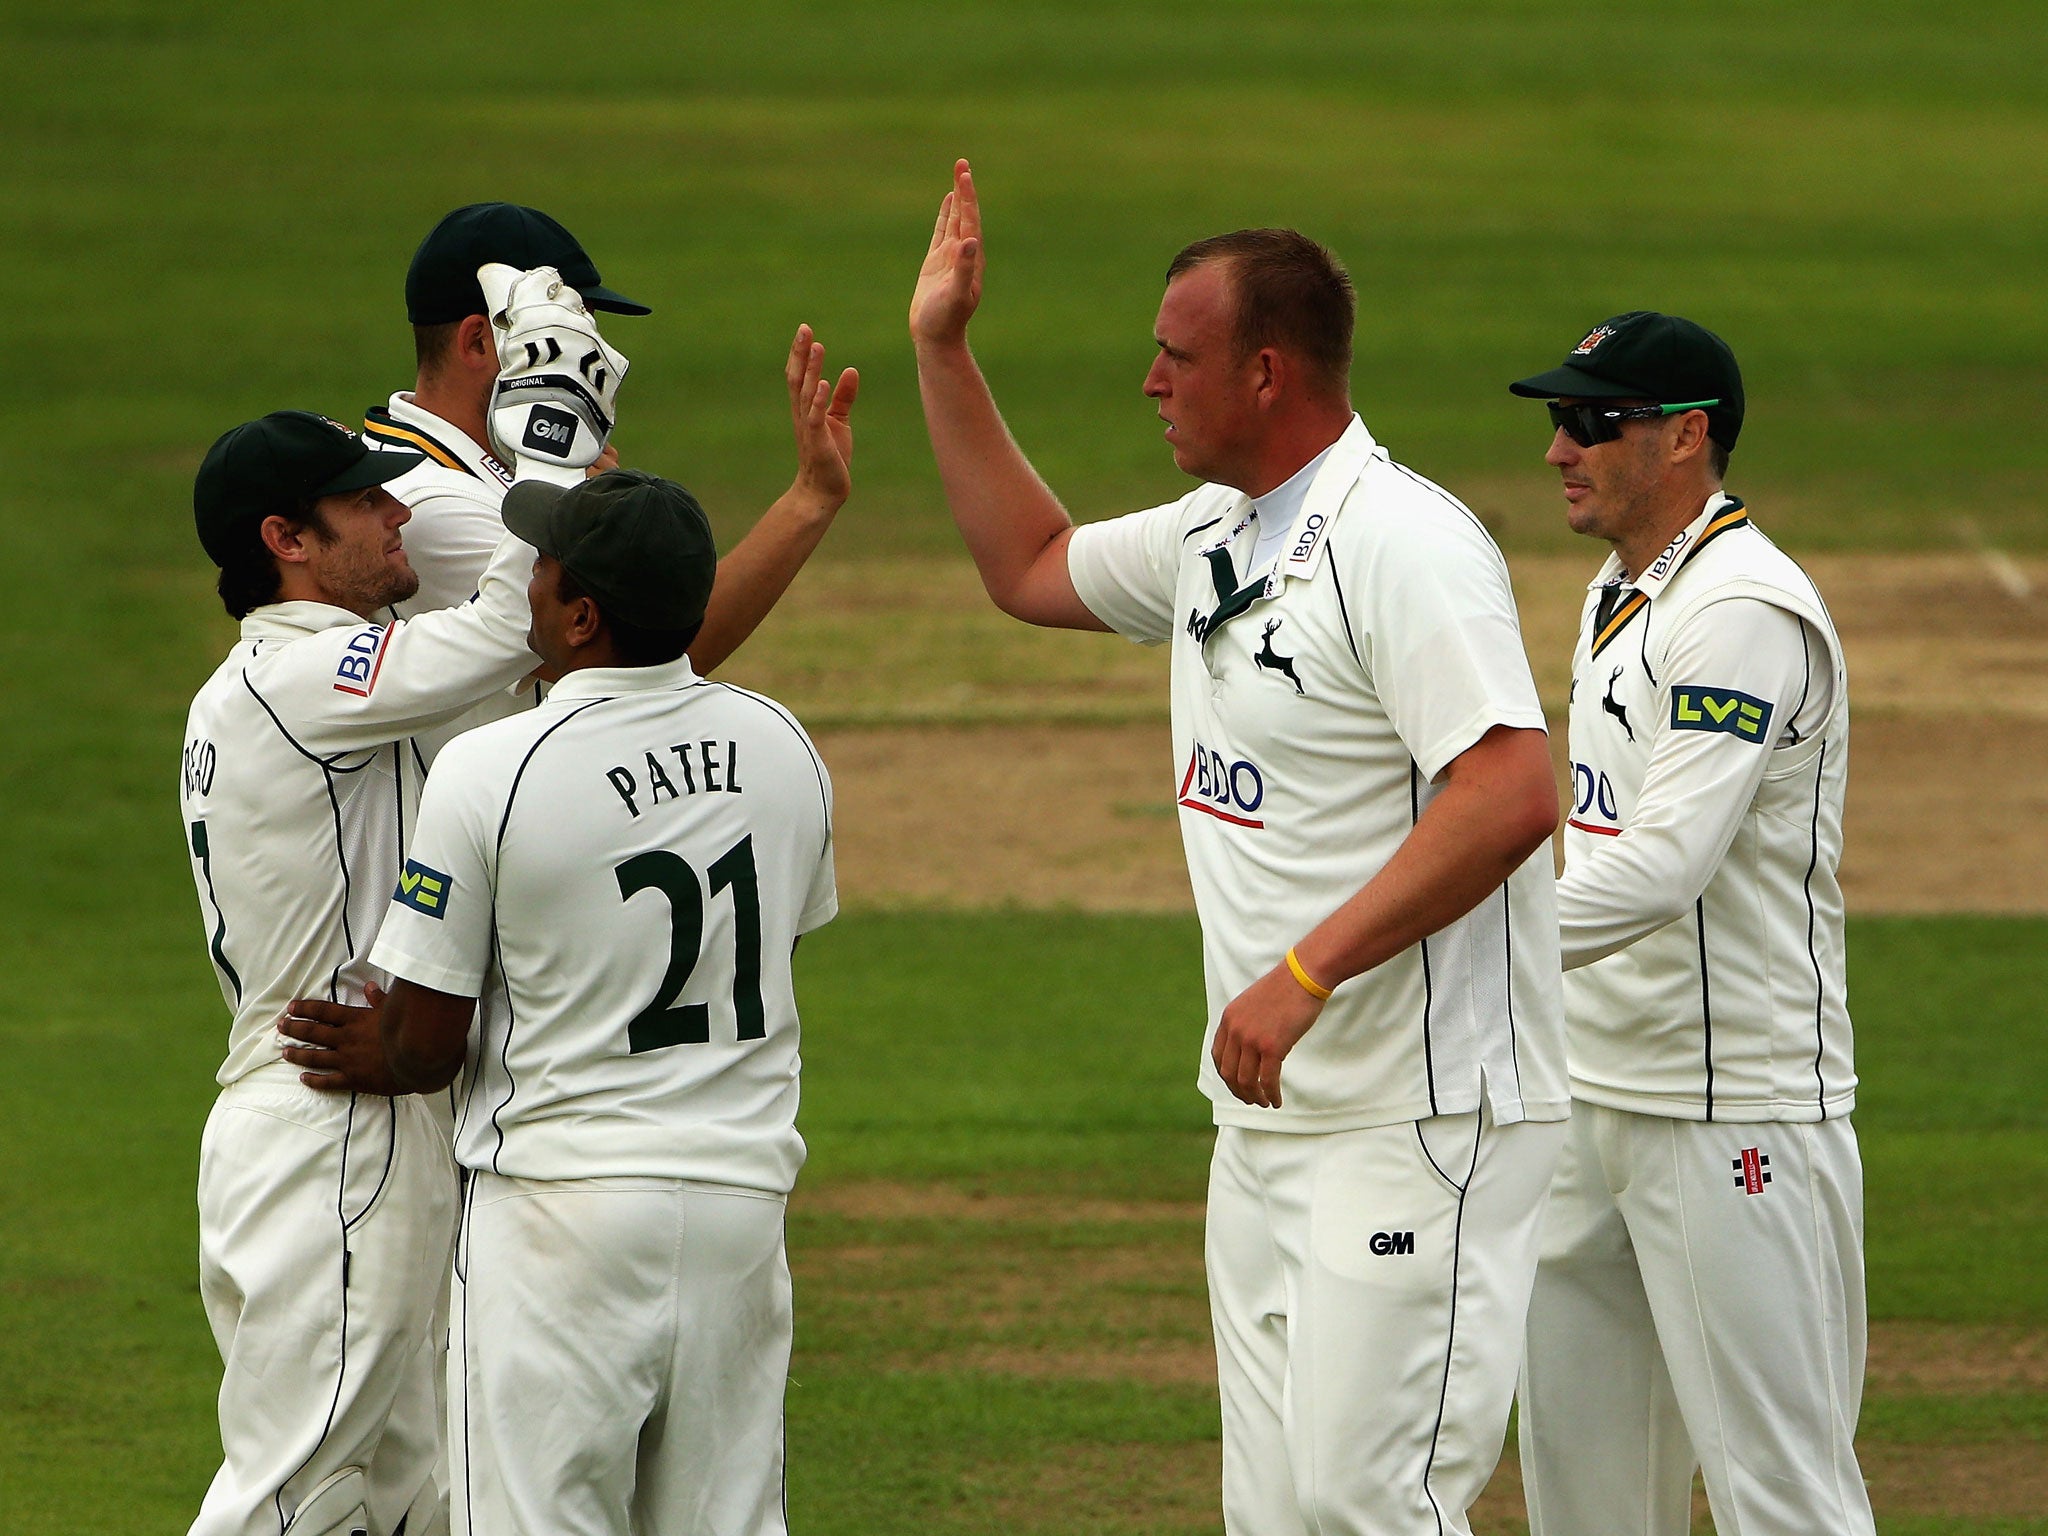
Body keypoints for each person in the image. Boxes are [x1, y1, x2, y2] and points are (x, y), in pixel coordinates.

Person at [908, 159, 1568, 1536]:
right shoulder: (1217, 533)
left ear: (1267, 374)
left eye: (1176, 354)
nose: (1149, 381)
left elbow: (1512, 793)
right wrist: (941, 348)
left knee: (1365, 1505)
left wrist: (1305, 976)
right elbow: (1027, 565)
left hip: (1418, 1118)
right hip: (1268, 1129)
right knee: (1276, 1514)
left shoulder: (1402, 544)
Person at [178, 319, 855, 1536]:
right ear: (284, 541)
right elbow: (507, 638)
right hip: (344, 1107)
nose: (402, 519)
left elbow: (541, 677)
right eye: (361, 508)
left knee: (399, 1501)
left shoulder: (348, 699)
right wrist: (555, 444)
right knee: (299, 1493)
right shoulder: (304, 679)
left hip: (372, 1120)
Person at [1506, 312, 1871, 1535]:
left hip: (1730, 1108)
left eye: (1591, 422)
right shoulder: (1618, 591)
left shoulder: (1740, 610)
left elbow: (1662, 870)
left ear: (1683, 439)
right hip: (1594, 1088)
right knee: (1586, 1494)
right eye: (1559, 420)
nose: (1559, 448)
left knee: (1778, 1494)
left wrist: (1450, 939)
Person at [365, 201, 856, 758]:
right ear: (479, 342)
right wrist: (808, 501)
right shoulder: (433, 507)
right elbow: (652, 647)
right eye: (563, 333)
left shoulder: (446, 463)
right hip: (488, 828)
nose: (587, 357)